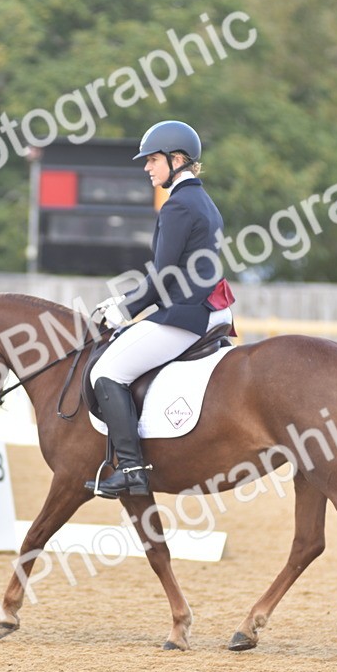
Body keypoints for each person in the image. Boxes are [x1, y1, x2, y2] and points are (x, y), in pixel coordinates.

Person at [86, 120, 234, 499]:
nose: (147, 168)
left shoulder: (178, 206)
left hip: (186, 314)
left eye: (153, 160)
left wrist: (126, 309)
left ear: (177, 159)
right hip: (213, 310)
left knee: (106, 371)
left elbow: (164, 273)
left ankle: (132, 468)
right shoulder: (204, 201)